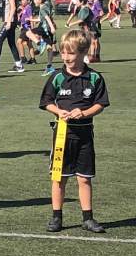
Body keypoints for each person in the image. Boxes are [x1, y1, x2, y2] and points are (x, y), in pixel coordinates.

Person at [40, 28, 108, 234]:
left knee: (84, 178)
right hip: (63, 135)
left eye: (71, 53)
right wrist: (58, 111)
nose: (66, 57)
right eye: (63, 52)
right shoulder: (57, 77)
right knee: (59, 177)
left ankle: (87, 218)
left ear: (83, 52)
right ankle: (56, 217)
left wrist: (84, 113)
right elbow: (46, 102)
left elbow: (101, 104)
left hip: (85, 135)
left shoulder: (95, 78)